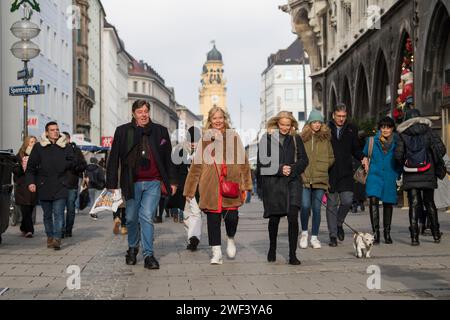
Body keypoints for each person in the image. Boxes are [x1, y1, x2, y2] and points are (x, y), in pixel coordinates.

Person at [106, 99, 177, 270]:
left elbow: (169, 158)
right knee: (130, 218)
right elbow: (114, 158)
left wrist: (172, 181)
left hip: (153, 182)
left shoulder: (160, 131)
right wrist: (111, 185)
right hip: (131, 182)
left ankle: (148, 255)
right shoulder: (124, 131)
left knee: (146, 216)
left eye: (146, 111)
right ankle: (132, 247)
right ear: (133, 114)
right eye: (140, 112)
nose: (144, 114)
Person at [184, 107, 253, 265]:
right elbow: (196, 166)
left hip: (230, 183)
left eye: (220, 118)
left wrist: (246, 184)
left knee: (232, 218)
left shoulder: (233, 137)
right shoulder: (205, 139)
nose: (218, 121)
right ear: (210, 120)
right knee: (213, 220)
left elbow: (243, 161)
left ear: (225, 119)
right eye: (215, 118)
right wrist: (190, 189)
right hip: (210, 186)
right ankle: (216, 252)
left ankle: (230, 238)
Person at [257, 111, 309, 265]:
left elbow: (304, 160)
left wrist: (292, 169)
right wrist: (280, 169)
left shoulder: (295, 138)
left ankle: (292, 254)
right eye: (282, 124)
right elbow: (262, 164)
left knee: (293, 217)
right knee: (274, 219)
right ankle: (272, 247)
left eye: (288, 125)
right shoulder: (266, 139)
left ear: (292, 124)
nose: (285, 128)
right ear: (277, 123)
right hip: (274, 184)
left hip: (293, 182)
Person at [395, 109, 446, 245]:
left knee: (414, 205)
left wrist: (404, 162)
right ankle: (436, 234)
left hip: (410, 173)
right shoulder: (429, 131)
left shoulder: (403, 134)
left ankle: (414, 238)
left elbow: (398, 155)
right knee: (429, 203)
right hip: (428, 172)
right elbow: (442, 149)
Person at [26, 122, 76, 250]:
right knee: (47, 215)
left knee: (59, 213)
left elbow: (73, 162)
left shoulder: (66, 146)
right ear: (47, 132)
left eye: (57, 129)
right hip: (44, 185)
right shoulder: (38, 147)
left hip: (61, 185)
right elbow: (30, 168)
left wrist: (64, 164)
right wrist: (31, 182)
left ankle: (57, 238)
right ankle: (49, 236)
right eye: (52, 130)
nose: (55, 132)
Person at [327, 104, 366, 247]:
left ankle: (339, 223)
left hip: (346, 172)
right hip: (330, 172)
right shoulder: (326, 129)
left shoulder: (351, 129)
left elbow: (355, 148)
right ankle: (332, 236)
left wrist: (363, 157)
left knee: (348, 200)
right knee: (331, 204)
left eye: (344, 116)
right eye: (339, 116)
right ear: (333, 115)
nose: (341, 119)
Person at [363, 117, 401, 245]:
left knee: (388, 203)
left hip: (390, 175)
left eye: (388, 127)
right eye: (383, 127)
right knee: (373, 201)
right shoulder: (371, 141)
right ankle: (376, 233)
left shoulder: (397, 142)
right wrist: (364, 161)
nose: (385, 130)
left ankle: (387, 233)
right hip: (374, 175)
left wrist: (398, 174)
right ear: (379, 128)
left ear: (392, 128)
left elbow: (400, 158)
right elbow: (364, 155)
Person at [299, 110, 334, 250]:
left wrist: (324, 166)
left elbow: (331, 157)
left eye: (319, 122)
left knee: (317, 209)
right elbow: (298, 156)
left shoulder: (325, 139)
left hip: (320, 179)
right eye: (314, 122)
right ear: (309, 123)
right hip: (305, 178)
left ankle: (314, 237)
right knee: (305, 206)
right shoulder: (302, 138)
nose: (317, 124)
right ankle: (304, 234)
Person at [168, 126, 202, 250]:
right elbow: (173, 169)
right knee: (186, 214)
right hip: (183, 188)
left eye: (196, 141)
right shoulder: (179, 151)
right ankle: (190, 237)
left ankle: (194, 238)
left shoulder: (203, 151)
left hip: (198, 188)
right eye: (191, 141)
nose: (193, 144)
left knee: (196, 212)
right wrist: (174, 184)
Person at [62, 132, 87, 237]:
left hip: (71, 183)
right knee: (58, 209)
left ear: (68, 139)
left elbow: (83, 165)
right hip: (58, 184)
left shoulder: (75, 150)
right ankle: (60, 230)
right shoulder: (56, 149)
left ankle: (68, 230)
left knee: (71, 208)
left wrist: (74, 166)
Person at [13, 136, 38, 238]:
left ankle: (24, 227)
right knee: (25, 207)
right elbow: (14, 170)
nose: (33, 144)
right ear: (26, 143)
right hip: (22, 185)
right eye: (31, 142)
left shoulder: (37, 155)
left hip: (33, 185)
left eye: (34, 142)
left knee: (31, 207)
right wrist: (22, 167)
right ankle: (30, 230)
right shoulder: (19, 155)